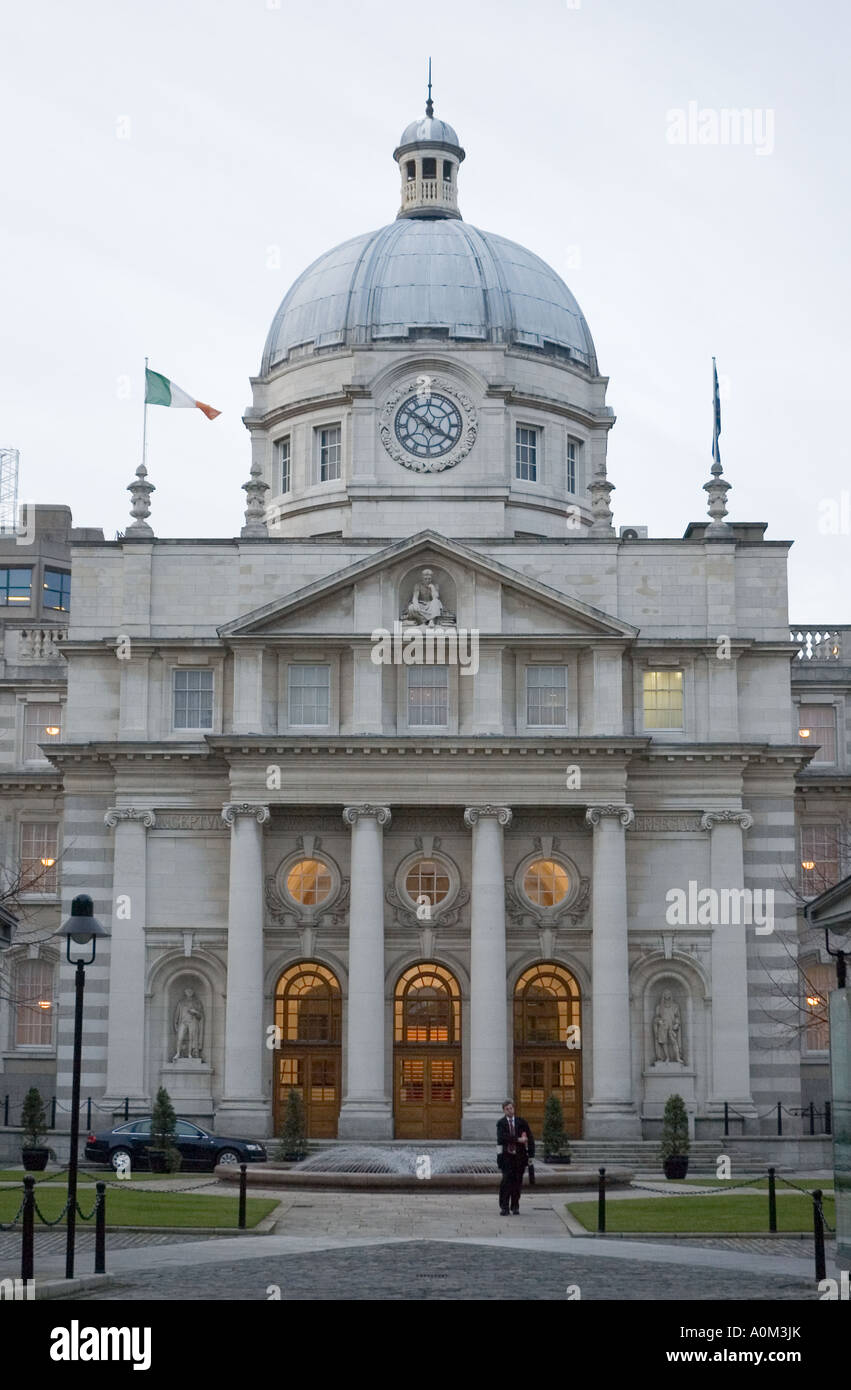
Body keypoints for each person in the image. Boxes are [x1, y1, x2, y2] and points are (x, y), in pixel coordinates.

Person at [496, 1099, 535, 1215]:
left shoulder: (521, 1122)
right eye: (507, 1109)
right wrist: (518, 1139)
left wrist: (531, 1155)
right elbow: (502, 1138)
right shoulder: (501, 1123)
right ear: (504, 1110)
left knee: (517, 1183)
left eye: (511, 1108)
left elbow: (530, 1138)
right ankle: (504, 1207)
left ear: (514, 1108)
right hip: (507, 1158)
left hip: (520, 1158)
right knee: (506, 1182)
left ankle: (515, 1206)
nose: (510, 1110)